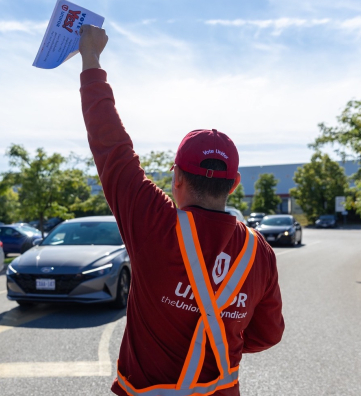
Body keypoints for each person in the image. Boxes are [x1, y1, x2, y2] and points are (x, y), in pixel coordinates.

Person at [77, 25, 284, 396]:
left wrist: (91, 58)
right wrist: (220, 333)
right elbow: (267, 335)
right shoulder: (260, 254)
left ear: (176, 179)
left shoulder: (153, 224)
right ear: (234, 185)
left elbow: (111, 147)